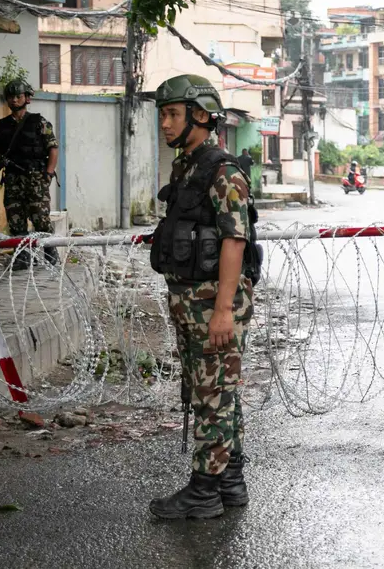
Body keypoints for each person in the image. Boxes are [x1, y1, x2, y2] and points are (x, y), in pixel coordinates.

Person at [147, 74, 260, 520]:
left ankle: (203, 492)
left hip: (214, 299)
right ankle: (229, 479)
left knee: (213, 396)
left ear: (199, 115)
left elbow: (235, 240)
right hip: (190, 297)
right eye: (163, 115)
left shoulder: (224, 171)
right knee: (212, 391)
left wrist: (222, 311)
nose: (165, 124)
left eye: (173, 114)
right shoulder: (187, 167)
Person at [0, 79, 59, 269]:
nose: (14, 100)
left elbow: (53, 149)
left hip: (35, 177)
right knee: (15, 219)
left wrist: (48, 174)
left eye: (18, 96)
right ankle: (23, 256)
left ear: (27, 98)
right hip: (12, 178)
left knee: (40, 218)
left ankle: (50, 253)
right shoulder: (2, 125)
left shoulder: (39, 122)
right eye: (10, 97)